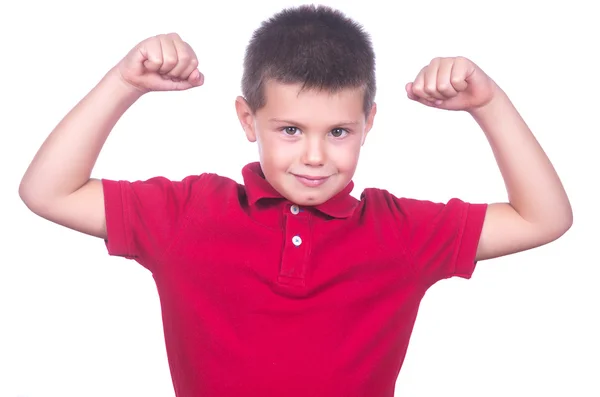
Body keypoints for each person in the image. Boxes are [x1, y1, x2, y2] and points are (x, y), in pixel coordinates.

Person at [18, 4, 572, 397]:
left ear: (368, 124)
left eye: (338, 132)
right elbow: (47, 191)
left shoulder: (399, 232)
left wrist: (489, 103)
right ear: (247, 119)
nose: (313, 157)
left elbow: (543, 218)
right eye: (289, 130)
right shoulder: (188, 214)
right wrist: (124, 82)